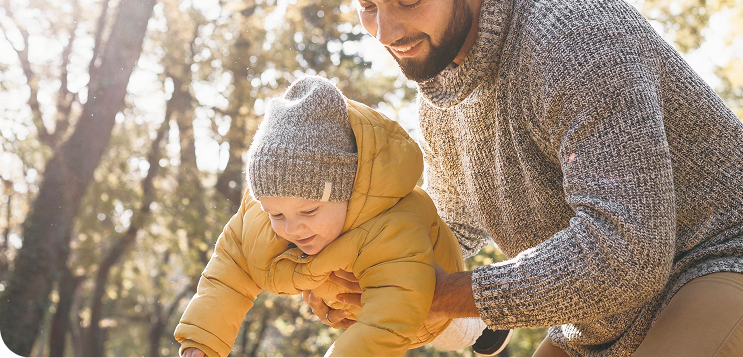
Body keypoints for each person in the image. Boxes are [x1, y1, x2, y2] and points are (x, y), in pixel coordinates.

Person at [302, 0, 743, 357]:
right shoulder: (441, 98)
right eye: (367, 7)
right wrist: (367, 275)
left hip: (735, 258)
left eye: (408, 2)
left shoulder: (572, 35)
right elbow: (444, 233)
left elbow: (628, 251)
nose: (386, 32)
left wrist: (446, 294)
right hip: (601, 321)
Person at [173, 75, 504, 358]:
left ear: (348, 190)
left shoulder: (394, 222)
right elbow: (229, 272)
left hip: (428, 300)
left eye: (310, 211)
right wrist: (200, 340)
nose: (292, 227)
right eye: (275, 213)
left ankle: (490, 323)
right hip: (355, 307)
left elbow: (392, 315)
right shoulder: (262, 219)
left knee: (452, 332)